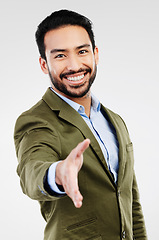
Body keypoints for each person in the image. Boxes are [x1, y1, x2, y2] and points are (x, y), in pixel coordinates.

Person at [14, 9, 147, 240]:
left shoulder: (115, 120)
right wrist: (57, 173)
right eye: (60, 56)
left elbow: (130, 199)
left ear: (95, 54)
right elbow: (31, 170)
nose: (75, 66)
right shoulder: (36, 120)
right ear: (44, 64)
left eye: (82, 51)